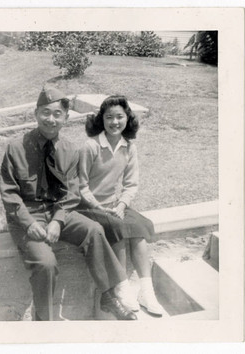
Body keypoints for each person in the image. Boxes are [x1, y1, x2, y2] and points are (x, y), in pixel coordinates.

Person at [0, 86, 137, 321]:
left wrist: (57, 221)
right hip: (27, 216)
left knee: (94, 229)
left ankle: (107, 293)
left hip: (57, 211)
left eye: (57, 114)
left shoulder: (70, 150)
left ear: (65, 118)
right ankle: (45, 320)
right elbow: (9, 193)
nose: (50, 119)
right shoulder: (16, 148)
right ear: (35, 113)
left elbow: (71, 193)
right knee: (46, 263)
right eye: (45, 112)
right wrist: (28, 223)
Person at [78, 95, 163, 316]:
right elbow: (81, 184)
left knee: (139, 227)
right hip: (87, 206)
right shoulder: (91, 146)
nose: (114, 122)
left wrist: (123, 204)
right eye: (109, 117)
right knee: (117, 227)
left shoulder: (129, 148)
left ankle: (146, 291)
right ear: (101, 120)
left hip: (114, 204)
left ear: (127, 119)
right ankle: (122, 287)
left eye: (119, 117)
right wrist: (98, 205)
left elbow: (131, 183)